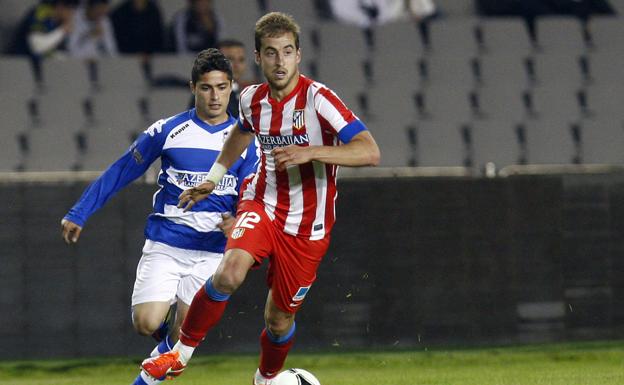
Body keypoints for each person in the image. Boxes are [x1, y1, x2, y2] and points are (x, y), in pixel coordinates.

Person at [140, 11, 380, 385]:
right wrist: (213, 178)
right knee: (230, 270)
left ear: (298, 55)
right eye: (271, 52)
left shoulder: (319, 100)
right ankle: (178, 355)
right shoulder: (252, 98)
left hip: (307, 227)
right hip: (262, 204)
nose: (279, 61)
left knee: (279, 319)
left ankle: (265, 378)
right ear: (258, 57)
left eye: (287, 51)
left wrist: (311, 152)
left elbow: (369, 151)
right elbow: (241, 133)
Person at [60, 48, 258, 385]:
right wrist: (81, 211)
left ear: (232, 88)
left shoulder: (245, 142)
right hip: (167, 243)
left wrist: (239, 217)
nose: (215, 96)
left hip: (212, 251)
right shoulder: (168, 131)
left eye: (222, 88)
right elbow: (123, 169)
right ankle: (170, 343)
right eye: (207, 88)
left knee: (181, 340)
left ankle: (167, 354)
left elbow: (254, 191)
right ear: (193, 87)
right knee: (146, 323)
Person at [8, 0, 79, 59]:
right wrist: (63, 30)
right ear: (60, 6)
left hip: (40, 66)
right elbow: (37, 47)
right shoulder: (41, 12)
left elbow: (58, 52)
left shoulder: (59, 23)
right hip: (18, 62)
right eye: (71, 9)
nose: (72, 14)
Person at [217, 39, 254, 118]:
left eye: (241, 60)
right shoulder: (206, 95)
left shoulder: (246, 95)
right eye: (230, 59)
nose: (236, 65)